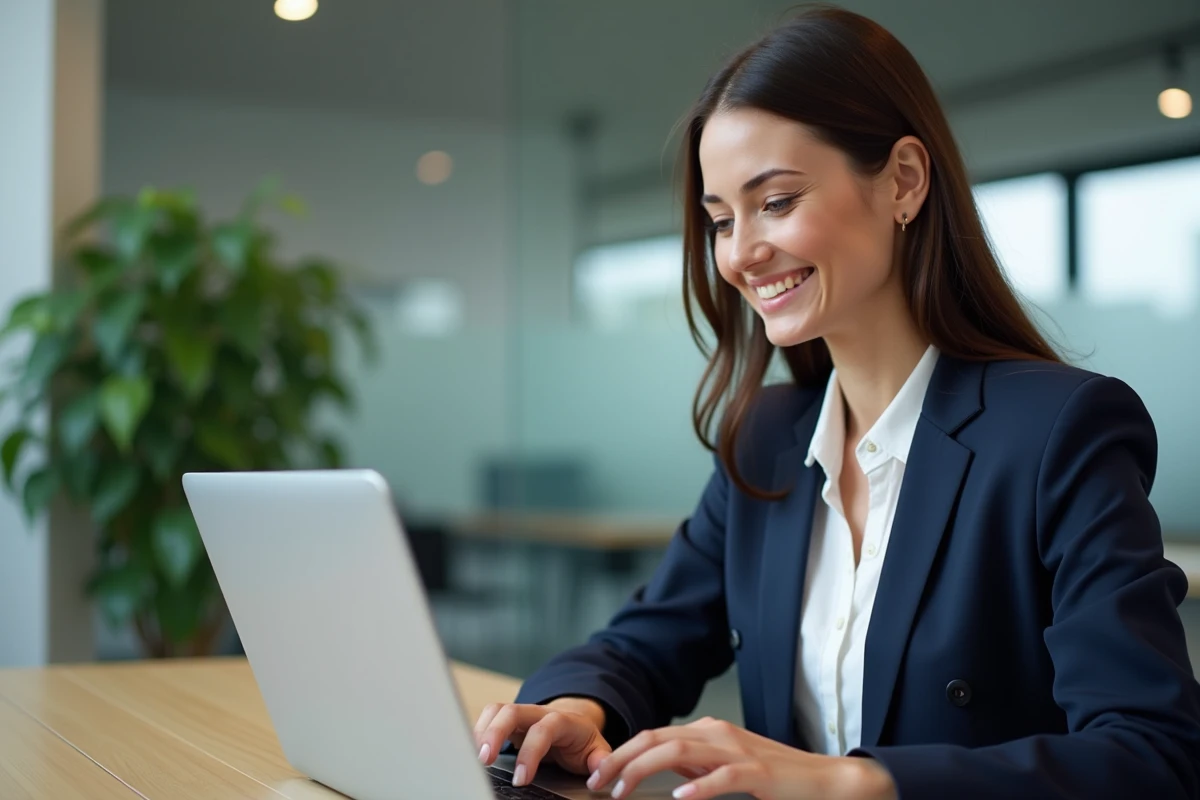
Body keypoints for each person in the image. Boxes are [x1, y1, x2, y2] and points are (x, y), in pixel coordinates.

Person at [473, 7, 1200, 799]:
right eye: (721, 220)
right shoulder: (769, 440)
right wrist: (579, 704)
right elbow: (649, 638)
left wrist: (851, 783)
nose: (741, 253)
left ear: (904, 182)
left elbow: (1149, 756)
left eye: (777, 202)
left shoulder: (1058, 433)